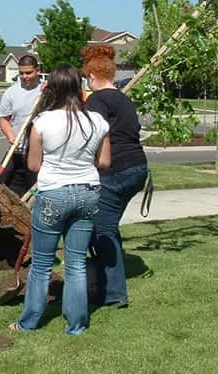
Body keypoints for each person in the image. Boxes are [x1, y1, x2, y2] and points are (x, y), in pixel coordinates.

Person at [9, 66, 111, 335]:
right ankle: (76, 325)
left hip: (54, 192)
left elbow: (32, 165)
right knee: (76, 262)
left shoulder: (43, 121)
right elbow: (105, 161)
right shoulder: (98, 121)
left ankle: (29, 321)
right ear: (80, 88)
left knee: (41, 263)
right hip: (88, 192)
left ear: (51, 88)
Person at [82, 44, 149, 309]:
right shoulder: (123, 99)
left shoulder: (96, 101)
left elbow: (91, 137)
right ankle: (104, 280)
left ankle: (114, 294)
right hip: (137, 168)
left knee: (103, 229)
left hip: (116, 172)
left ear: (91, 77)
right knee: (105, 225)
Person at [0, 54, 42, 196]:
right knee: (6, 192)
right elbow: (3, 119)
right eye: (21, 73)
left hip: (39, 154)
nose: (25, 76)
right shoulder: (11, 93)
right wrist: (11, 135)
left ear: (38, 70)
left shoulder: (46, 91)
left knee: (34, 197)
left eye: (29, 73)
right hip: (16, 152)